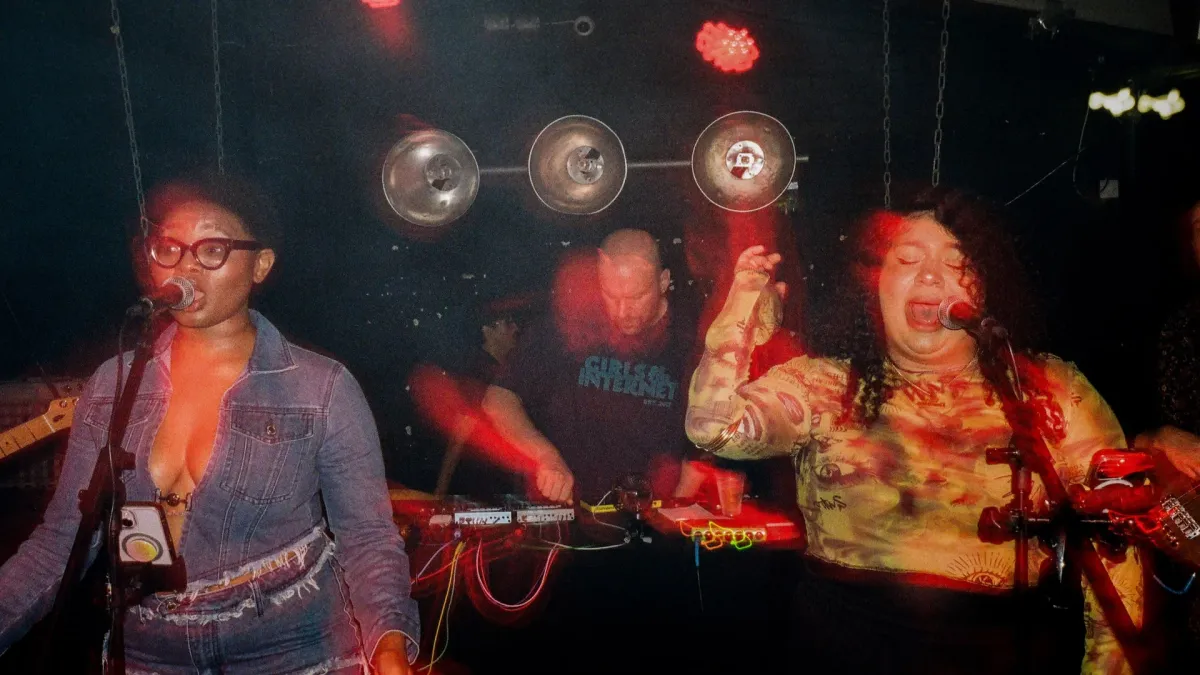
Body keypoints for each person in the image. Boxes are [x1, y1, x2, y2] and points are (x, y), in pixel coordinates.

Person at [686, 188, 1144, 674]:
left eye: (957, 261)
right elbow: (715, 427)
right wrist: (741, 321)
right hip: (846, 650)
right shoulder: (825, 385)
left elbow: (1116, 545)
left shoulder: (1048, 388)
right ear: (878, 285)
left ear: (984, 286)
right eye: (907, 259)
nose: (929, 274)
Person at [0, 174, 419, 674]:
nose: (186, 266)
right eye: (169, 249)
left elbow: (367, 535)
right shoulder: (114, 384)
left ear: (260, 264)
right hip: (151, 650)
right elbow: (61, 541)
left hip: (290, 647)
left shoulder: (321, 387)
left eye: (212, 249)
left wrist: (388, 643)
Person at [482, 228, 698, 504]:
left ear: (664, 280)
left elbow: (709, 436)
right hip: (572, 510)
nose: (622, 311)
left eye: (636, 297)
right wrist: (546, 457)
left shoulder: (691, 339)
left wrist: (680, 504)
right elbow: (498, 399)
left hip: (657, 512)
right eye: (611, 295)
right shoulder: (569, 327)